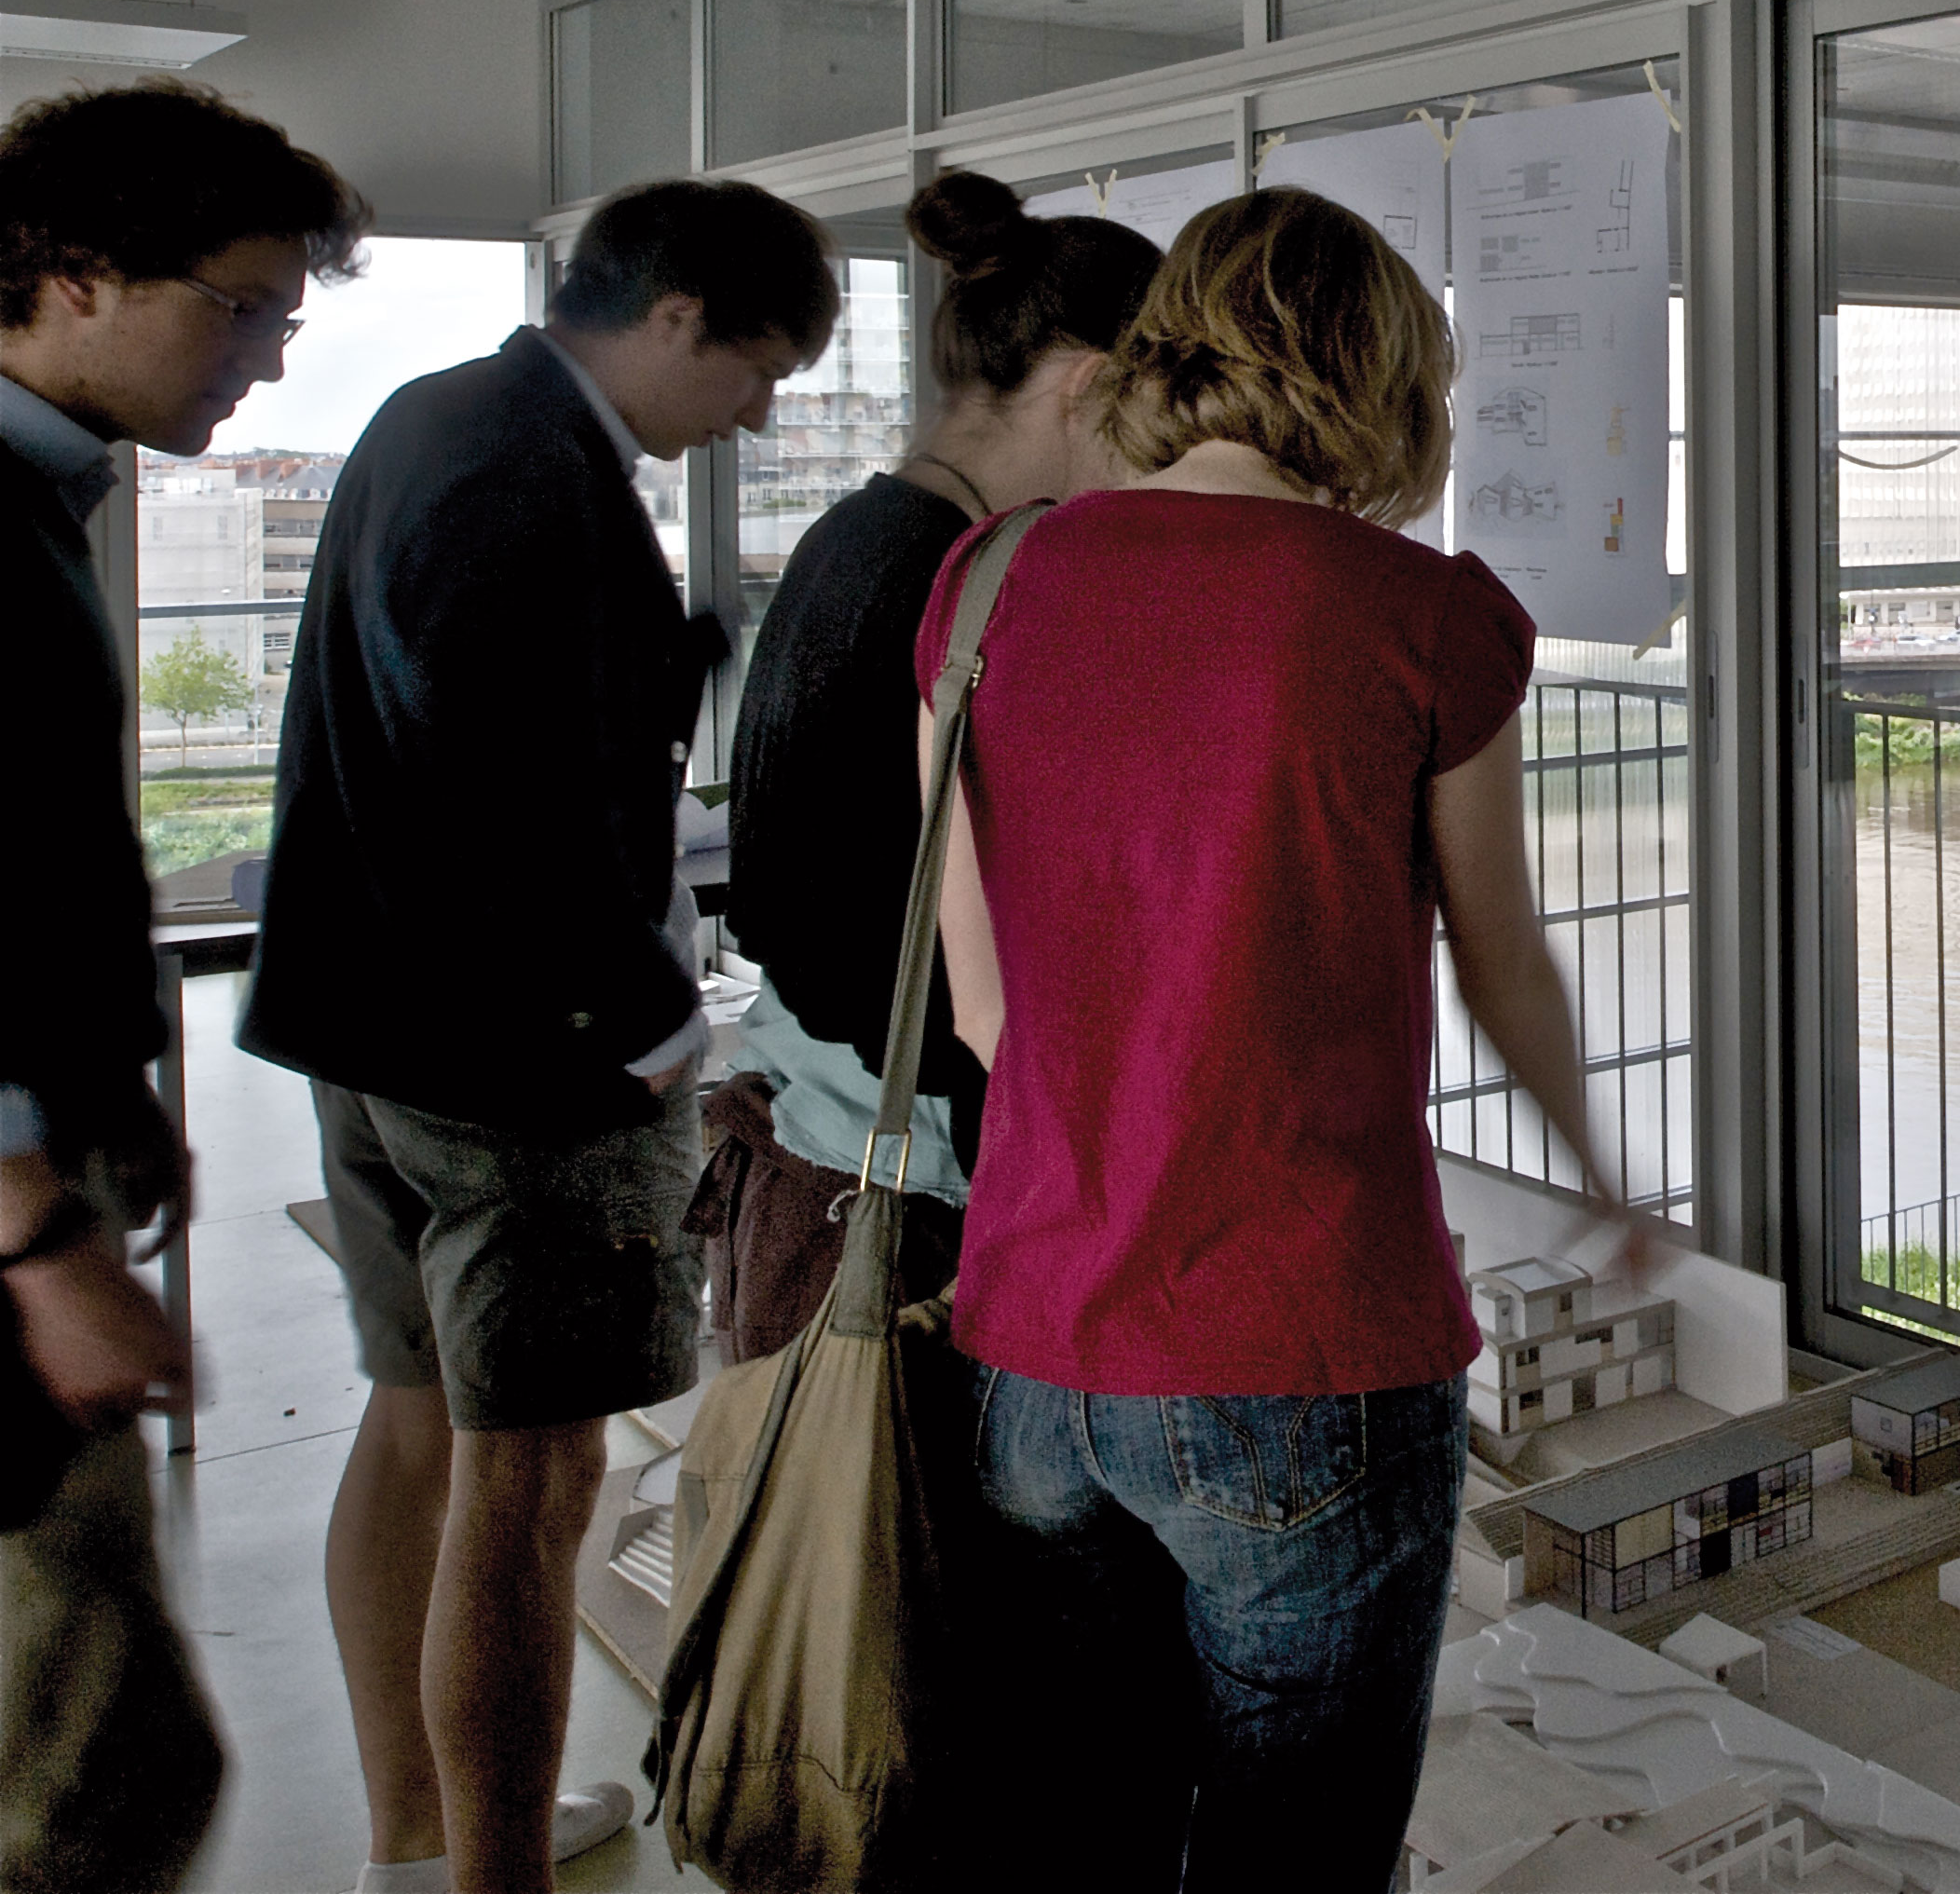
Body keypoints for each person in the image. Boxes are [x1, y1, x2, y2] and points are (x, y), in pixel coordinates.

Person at [932, 188, 1647, 1892]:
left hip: (1032, 1336)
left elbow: (978, 1003)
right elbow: (1501, 964)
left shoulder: (988, 577)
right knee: (1293, 1856)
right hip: (1305, 1340)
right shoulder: (1423, 612)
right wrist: (1604, 1172)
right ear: (1382, 375)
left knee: (1089, 1821)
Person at [245, 180, 837, 1894]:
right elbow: (496, 789)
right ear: (671, 317)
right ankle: (491, 1871)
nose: (757, 410)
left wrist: (684, 643)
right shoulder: (525, 468)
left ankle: (415, 1833)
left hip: (376, 1031)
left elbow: (476, 712)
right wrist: (655, 1028)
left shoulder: (442, 419)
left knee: (417, 1422)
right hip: (518, 1064)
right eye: (757, 369)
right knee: (534, 1481)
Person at [0, 80, 364, 1892]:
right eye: (238, 310)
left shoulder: (43, 498)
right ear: (71, 275)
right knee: (89, 1780)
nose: (265, 364)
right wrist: (28, 1230)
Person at [691, 172, 1157, 1361]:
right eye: (1162, 408)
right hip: (900, 1192)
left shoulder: (862, 535)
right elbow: (855, 925)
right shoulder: (953, 581)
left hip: (827, 1138)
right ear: (1094, 382)